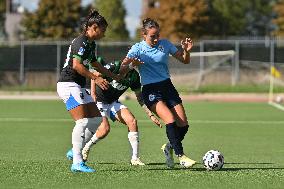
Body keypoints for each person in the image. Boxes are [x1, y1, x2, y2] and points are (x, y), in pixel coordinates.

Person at [120, 18, 196, 168]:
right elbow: (122, 69)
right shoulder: (137, 49)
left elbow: (184, 60)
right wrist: (131, 65)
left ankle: (169, 147)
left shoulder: (165, 44)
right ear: (144, 35)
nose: (156, 39)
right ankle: (181, 156)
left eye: (157, 35)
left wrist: (186, 51)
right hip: (150, 89)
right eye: (152, 36)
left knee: (184, 125)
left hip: (167, 87)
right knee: (169, 120)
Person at [57, 10, 120, 173]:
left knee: (96, 119)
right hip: (67, 85)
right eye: (103, 30)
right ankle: (77, 162)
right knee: (83, 121)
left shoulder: (91, 44)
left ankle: (74, 151)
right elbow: (77, 65)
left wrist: (113, 76)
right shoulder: (81, 41)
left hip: (77, 86)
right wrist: (96, 78)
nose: (104, 34)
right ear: (93, 27)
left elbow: (95, 64)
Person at [80, 56, 162, 165]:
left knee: (132, 121)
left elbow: (140, 98)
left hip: (113, 102)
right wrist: (93, 94)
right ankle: (86, 147)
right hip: (99, 101)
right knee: (105, 129)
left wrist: (150, 115)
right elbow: (95, 74)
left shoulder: (135, 77)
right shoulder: (116, 65)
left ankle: (135, 158)